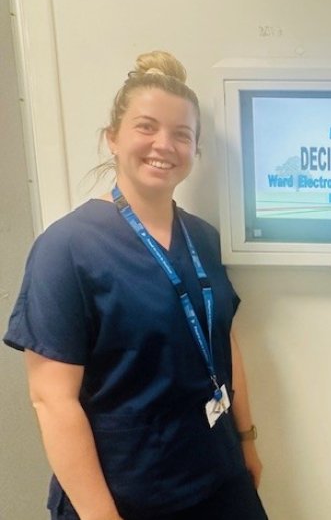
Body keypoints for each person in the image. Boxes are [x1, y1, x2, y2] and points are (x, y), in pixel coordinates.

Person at [4, 51, 267, 520]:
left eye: (181, 135)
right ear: (112, 137)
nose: (163, 145)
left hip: (217, 475)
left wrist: (245, 439)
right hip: (125, 494)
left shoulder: (204, 238)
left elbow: (223, 337)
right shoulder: (66, 248)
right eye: (146, 127)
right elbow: (52, 399)